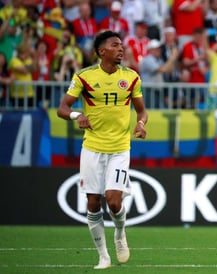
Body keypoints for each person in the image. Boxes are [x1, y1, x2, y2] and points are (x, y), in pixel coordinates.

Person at [57, 30, 148, 269]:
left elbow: (142, 111)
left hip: (119, 148)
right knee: (94, 202)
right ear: (101, 51)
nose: (121, 49)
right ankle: (103, 256)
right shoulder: (84, 76)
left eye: (122, 45)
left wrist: (140, 124)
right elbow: (62, 109)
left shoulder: (131, 77)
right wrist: (78, 115)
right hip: (93, 148)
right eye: (115, 45)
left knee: (114, 202)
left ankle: (119, 233)